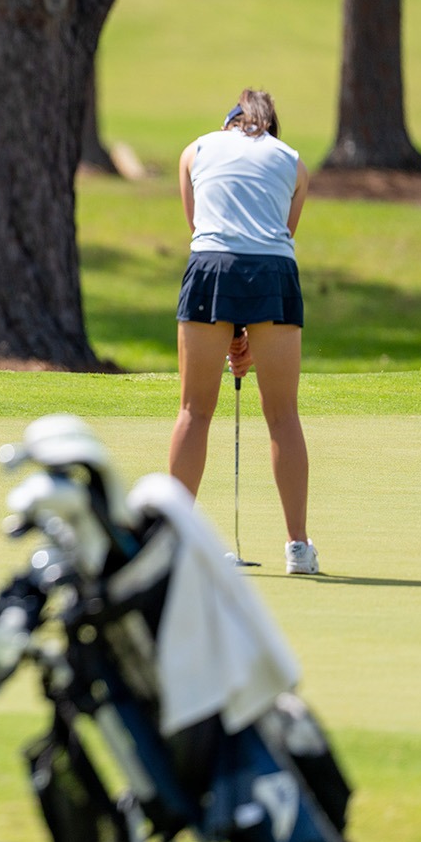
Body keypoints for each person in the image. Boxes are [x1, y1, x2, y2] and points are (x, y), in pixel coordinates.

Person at [167, 89, 317, 574]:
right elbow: (280, 235)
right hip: (273, 274)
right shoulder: (293, 163)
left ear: (229, 122)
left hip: (211, 268)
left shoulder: (196, 150)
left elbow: (199, 227)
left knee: (194, 410)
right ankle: (298, 547)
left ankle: (170, 544)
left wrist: (231, 328)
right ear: (269, 127)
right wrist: (245, 332)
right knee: (283, 415)